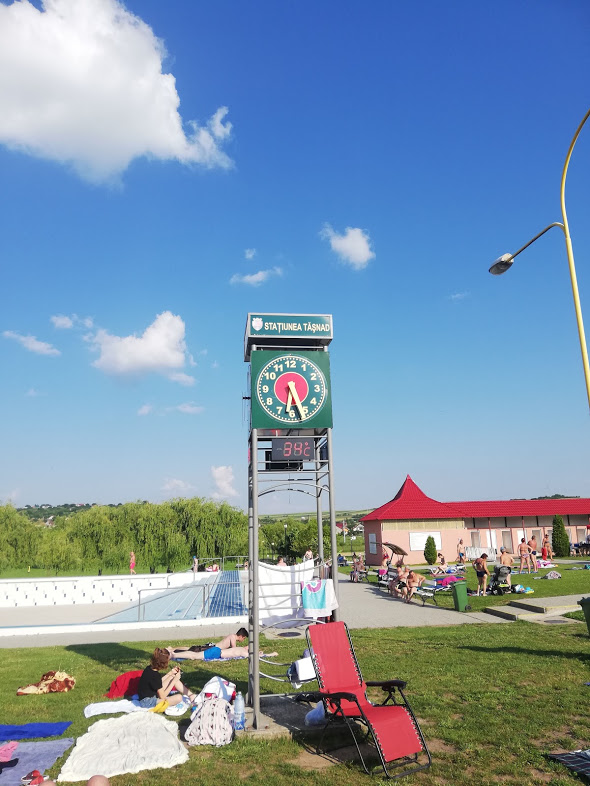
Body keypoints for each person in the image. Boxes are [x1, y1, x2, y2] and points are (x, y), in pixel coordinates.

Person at [169, 629, 248, 661]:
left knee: (192, 649)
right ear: (241, 636)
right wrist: (243, 649)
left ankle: (173, 650)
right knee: (193, 650)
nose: (243, 640)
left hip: (212, 647)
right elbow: (234, 649)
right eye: (244, 638)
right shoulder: (233, 637)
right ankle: (173, 651)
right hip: (212, 648)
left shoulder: (232, 636)